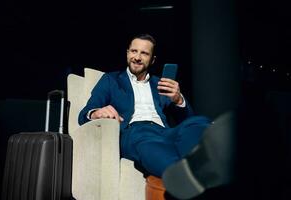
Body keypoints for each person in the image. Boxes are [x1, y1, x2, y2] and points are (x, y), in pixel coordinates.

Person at [78, 33, 210, 178]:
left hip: (164, 132)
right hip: (134, 132)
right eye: (134, 51)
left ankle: (207, 166)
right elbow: (84, 114)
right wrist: (96, 113)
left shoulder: (160, 84)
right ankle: (182, 176)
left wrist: (179, 100)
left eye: (144, 53)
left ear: (152, 60)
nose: (137, 57)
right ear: (127, 53)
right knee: (146, 141)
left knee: (199, 122)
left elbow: (186, 120)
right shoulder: (111, 79)